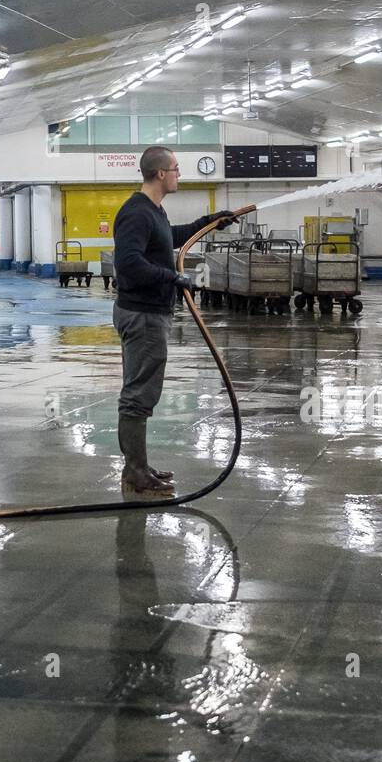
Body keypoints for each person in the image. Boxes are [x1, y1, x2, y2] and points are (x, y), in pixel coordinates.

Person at [112, 145, 237, 498]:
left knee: (142, 390)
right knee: (139, 395)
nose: (180, 174)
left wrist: (209, 223)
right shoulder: (137, 213)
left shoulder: (154, 211)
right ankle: (135, 473)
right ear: (160, 174)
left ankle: (138, 465)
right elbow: (130, 263)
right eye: (177, 169)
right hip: (143, 315)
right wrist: (173, 278)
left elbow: (170, 238)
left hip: (149, 313)